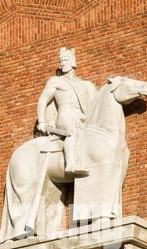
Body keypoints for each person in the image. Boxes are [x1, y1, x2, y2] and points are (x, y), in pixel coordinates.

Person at [37, 47, 96, 175]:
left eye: (66, 60)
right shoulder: (56, 81)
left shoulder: (83, 84)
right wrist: (42, 121)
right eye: (61, 60)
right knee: (72, 132)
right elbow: (43, 100)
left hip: (81, 116)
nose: (63, 63)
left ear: (73, 62)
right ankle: (71, 164)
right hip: (66, 115)